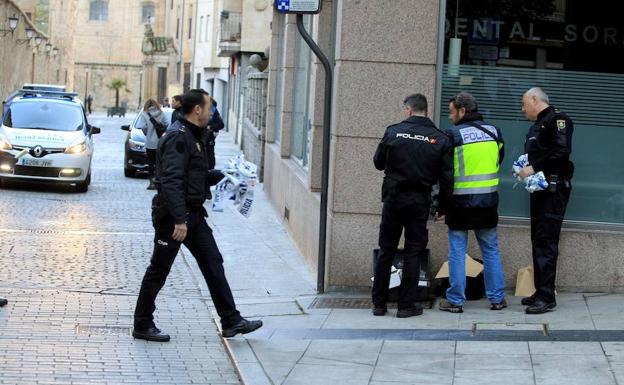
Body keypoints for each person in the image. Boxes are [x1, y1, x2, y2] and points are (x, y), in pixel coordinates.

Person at [133, 89, 262, 341]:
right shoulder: (178, 137)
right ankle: (142, 323)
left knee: (213, 262)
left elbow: (197, 176)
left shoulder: (195, 136)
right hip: (173, 218)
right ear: (197, 110)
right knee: (159, 270)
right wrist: (179, 219)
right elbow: (170, 181)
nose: (212, 112)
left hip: (193, 215)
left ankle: (231, 320)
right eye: (209, 107)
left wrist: (227, 176)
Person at [372, 94, 453, 318]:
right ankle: (406, 306)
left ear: (408, 110)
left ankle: (379, 304)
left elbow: (378, 163)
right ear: (425, 110)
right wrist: (443, 207)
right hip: (419, 201)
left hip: (393, 199)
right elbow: (447, 178)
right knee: (413, 252)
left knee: (386, 249)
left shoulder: (393, 132)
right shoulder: (440, 139)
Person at [437, 92, 507, 314]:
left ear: (463, 111)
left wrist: (442, 206)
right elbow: (500, 159)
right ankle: (497, 298)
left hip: (460, 204)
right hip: (488, 202)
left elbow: (446, 176)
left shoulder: (453, 135)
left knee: (457, 252)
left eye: (451, 112)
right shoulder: (494, 132)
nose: (450, 117)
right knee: (491, 250)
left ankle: (456, 301)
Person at [518, 87, 574, 314]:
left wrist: (533, 167)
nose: (522, 109)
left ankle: (547, 296)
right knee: (538, 239)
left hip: (553, 189)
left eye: (524, 104)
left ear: (534, 99)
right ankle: (541, 290)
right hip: (540, 189)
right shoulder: (537, 125)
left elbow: (562, 151)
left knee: (547, 241)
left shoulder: (558, 120)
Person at [137, 99, 168, 190]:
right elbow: (167, 124)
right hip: (160, 142)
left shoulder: (144, 114)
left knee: (151, 163)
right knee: (160, 163)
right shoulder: (161, 113)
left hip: (150, 143)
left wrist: (147, 133)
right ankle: (159, 181)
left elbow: (143, 127)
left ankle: (152, 183)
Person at [206, 97, 225, 170]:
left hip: (210, 136)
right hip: (202, 136)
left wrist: (210, 127)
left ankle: (211, 170)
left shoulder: (214, 110)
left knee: (210, 153)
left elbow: (221, 124)